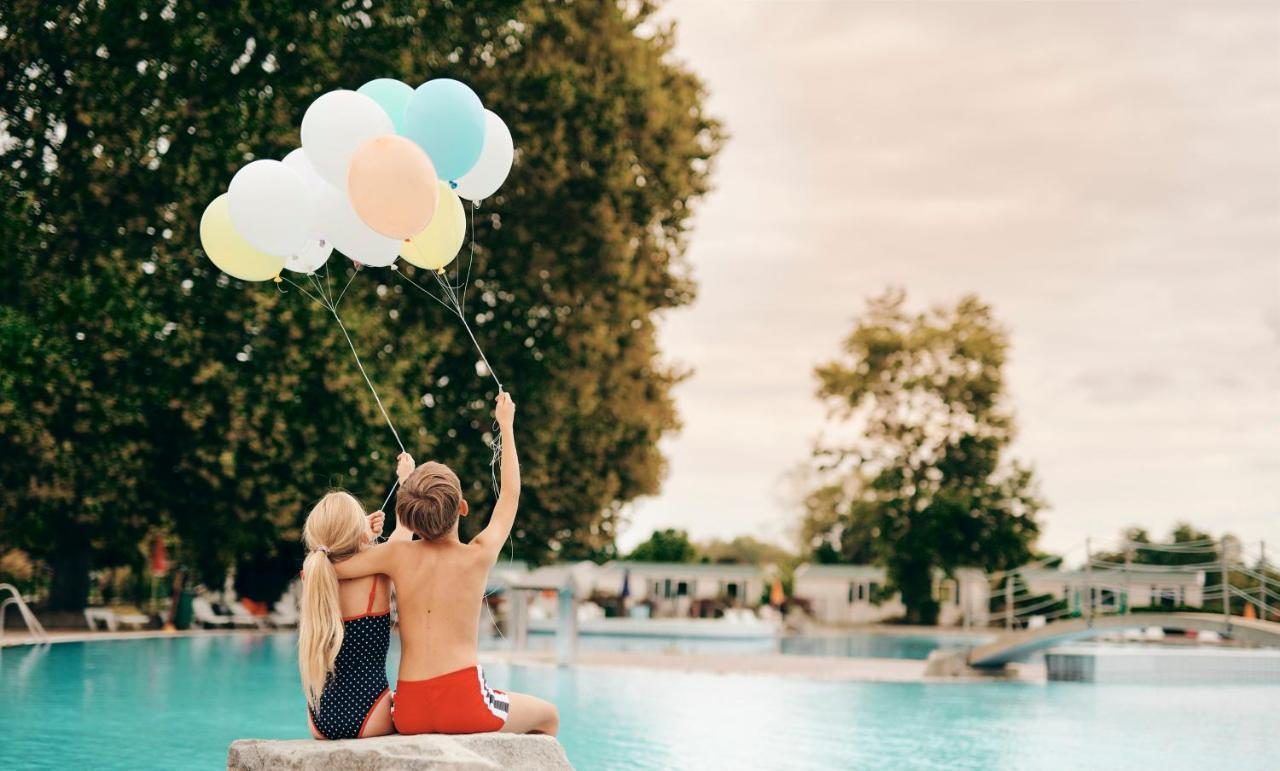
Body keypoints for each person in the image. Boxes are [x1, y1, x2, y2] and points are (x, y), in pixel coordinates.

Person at [334, 390, 559, 736]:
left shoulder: (396, 554)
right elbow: (511, 495)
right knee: (548, 716)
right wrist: (506, 426)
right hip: (465, 705)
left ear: (408, 517)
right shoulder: (478, 554)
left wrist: (364, 529)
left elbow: (335, 564)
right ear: (463, 508)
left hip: (408, 710)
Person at [297, 451, 414, 740]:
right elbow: (405, 529)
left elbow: (339, 558)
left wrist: (363, 538)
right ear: (356, 533)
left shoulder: (313, 574)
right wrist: (406, 479)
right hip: (370, 712)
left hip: (320, 718)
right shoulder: (378, 571)